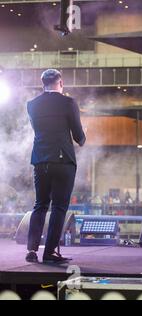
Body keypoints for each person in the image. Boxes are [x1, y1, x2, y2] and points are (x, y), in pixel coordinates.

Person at [26, 69, 86, 264]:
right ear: (61, 83)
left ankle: (32, 250)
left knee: (40, 205)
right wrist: (84, 135)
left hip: (40, 160)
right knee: (59, 207)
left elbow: (41, 130)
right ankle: (50, 252)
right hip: (63, 161)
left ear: (43, 83)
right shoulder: (68, 103)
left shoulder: (32, 105)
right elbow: (78, 136)